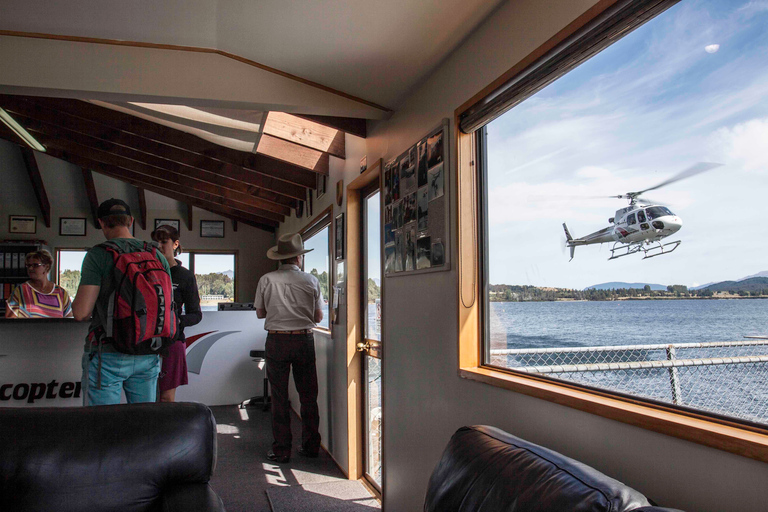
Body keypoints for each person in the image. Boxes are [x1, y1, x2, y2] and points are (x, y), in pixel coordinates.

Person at [72, 198, 172, 406]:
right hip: (148, 351)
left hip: (107, 352)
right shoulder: (156, 255)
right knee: (143, 424)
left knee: (103, 426)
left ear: (101, 223)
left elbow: (81, 312)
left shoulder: (98, 255)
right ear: (131, 221)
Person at [254, 233, 324, 463]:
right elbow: (318, 316)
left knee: (280, 397)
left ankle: (282, 449)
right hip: (304, 340)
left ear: (280, 258)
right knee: (308, 396)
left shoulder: (267, 279)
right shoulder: (311, 281)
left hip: (277, 341)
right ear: (298, 258)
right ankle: (311, 446)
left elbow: (260, 313)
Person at [151, 224, 202, 402]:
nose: (159, 246)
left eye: (164, 242)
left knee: (166, 397)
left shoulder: (185, 276)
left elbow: (196, 314)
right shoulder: (146, 271)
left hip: (172, 342)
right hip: (145, 343)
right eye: (156, 242)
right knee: (146, 397)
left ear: (175, 244)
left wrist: (176, 321)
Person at [5, 250, 73, 319]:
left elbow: (69, 323)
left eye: (35, 265)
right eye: (28, 265)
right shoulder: (20, 291)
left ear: (46, 267)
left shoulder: (61, 293)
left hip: (55, 330)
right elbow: (10, 322)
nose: (31, 268)